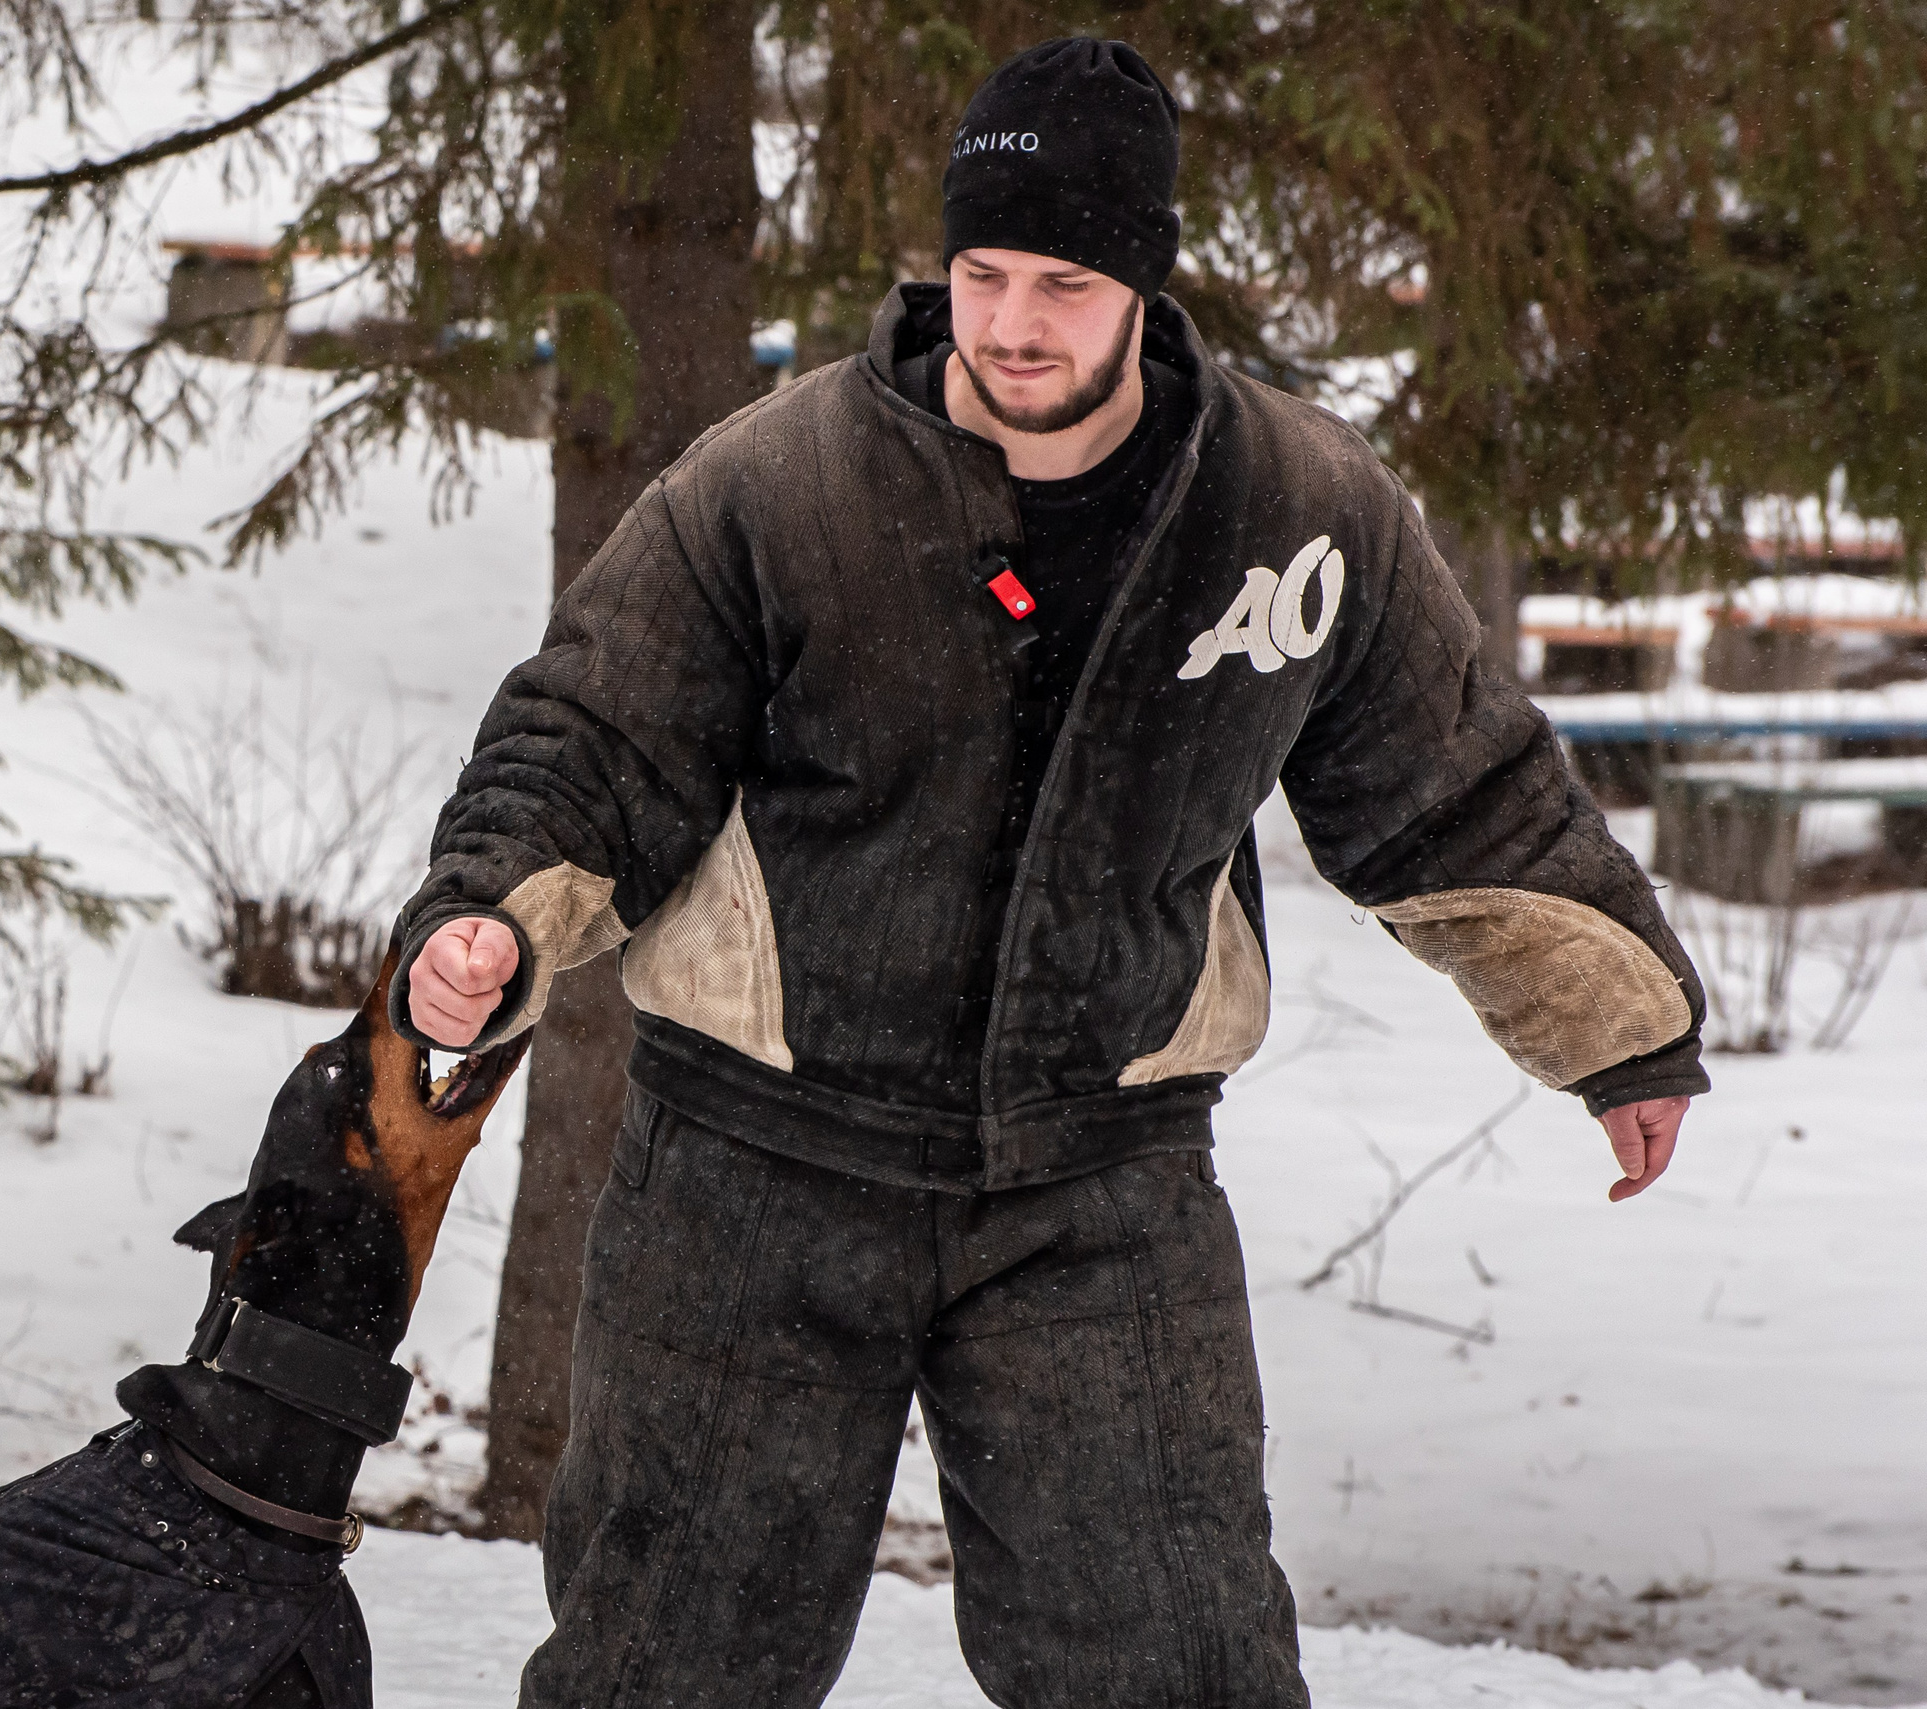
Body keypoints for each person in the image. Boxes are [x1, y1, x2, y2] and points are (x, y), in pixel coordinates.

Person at [391, 36, 1705, 1709]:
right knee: (667, 1668)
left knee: (1180, 1669)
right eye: (983, 273)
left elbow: (1459, 790)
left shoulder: (1295, 509)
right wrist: (487, 915)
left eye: (1063, 284)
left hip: (1105, 1180)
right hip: (757, 1164)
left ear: (1144, 284)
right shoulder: (777, 485)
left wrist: (1619, 1031)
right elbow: (594, 736)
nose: (1012, 322)